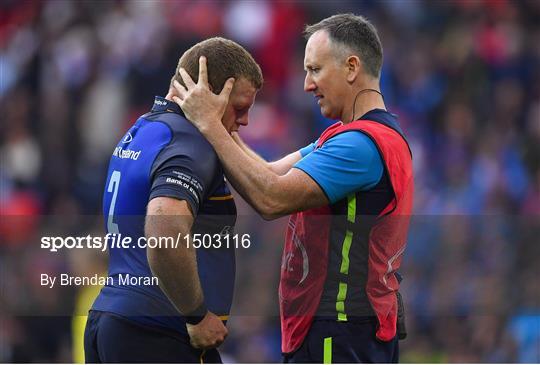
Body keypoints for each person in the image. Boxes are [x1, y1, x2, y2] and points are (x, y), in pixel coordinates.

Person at [173, 13, 414, 363]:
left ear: (351, 67)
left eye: (315, 70)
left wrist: (210, 125)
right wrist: (221, 118)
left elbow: (270, 197)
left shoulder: (360, 147)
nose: (307, 84)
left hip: (339, 336)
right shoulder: (352, 137)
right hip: (337, 335)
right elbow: (268, 172)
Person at [84, 37, 263, 363]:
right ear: (208, 92)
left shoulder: (143, 131)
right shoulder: (189, 141)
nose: (246, 121)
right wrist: (196, 315)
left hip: (112, 320)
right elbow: (165, 230)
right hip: (157, 332)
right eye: (240, 108)